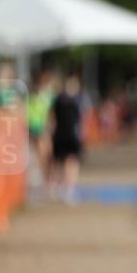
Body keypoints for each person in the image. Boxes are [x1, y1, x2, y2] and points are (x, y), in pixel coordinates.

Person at [49, 74, 84, 204]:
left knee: (63, 163)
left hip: (62, 135)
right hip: (67, 136)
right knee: (68, 163)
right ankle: (65, 188)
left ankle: (60, 187)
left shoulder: (58, 100)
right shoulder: (73, 101)